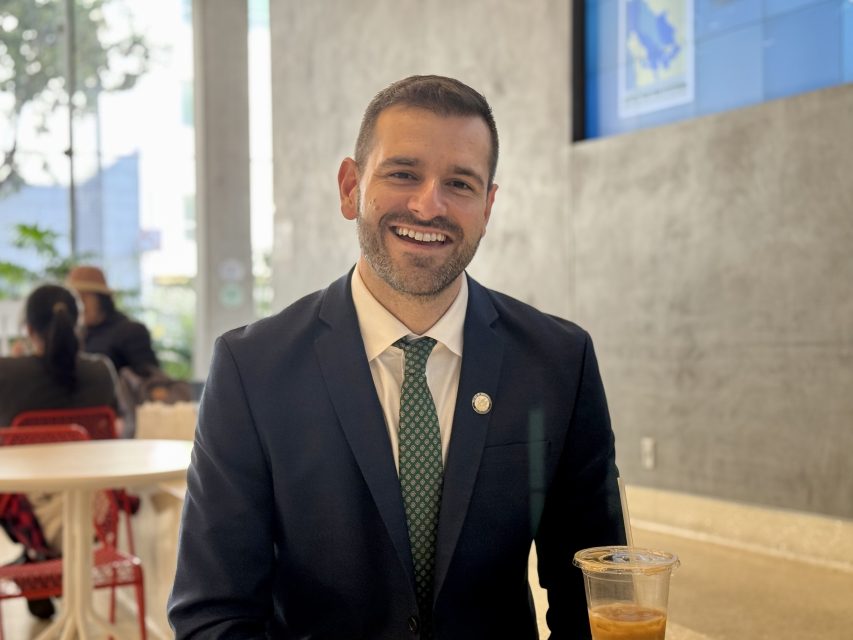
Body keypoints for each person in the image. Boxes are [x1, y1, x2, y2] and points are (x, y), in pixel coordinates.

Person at [169, 75, 625, 639]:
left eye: (459, 183)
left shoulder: (558, 362)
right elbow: (213, 613)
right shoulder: (253, 369)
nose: (427, 205)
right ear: (349, 187)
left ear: (488, 206)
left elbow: (591, 589)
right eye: (403, 173)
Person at [0, 284, 120, 620]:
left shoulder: (6, 373)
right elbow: (119, 430)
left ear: (28, 328)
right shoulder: (101, 371)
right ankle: (40, 562)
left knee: (18, 484)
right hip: (97, 509)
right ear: (78, 325)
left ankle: (38, 559)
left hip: (31, 509)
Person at [65, 264, 160, 376]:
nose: (80, 306)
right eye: (75, 300)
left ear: (101, 298)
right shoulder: (77, 334)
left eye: (84, 297)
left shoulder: (130, 331)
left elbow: (150, 379)